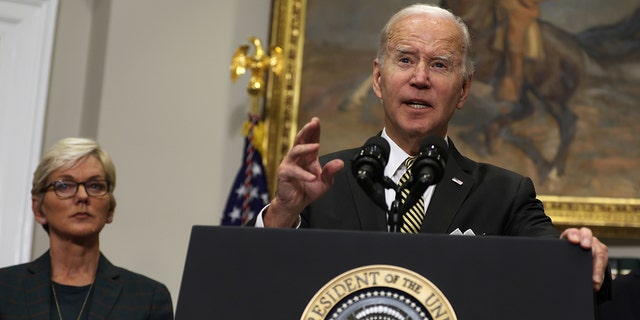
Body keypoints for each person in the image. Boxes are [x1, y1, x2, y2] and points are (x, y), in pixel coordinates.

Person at [248, 3, 610, 300]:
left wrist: (578, 255)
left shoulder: (504, 195)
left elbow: (563, 278)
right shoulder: (323, 180)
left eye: (439, 64)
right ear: (378, 79)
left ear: (464, 89)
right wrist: (282, 212)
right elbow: (256, 286)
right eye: (405, 59)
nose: (420, 78)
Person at [0, 137, 174, 319]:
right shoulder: (5, 289)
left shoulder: (148, 299)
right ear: (38, 208)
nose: (82, 196)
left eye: (95, 186)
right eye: (64, 186)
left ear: (110, 210)